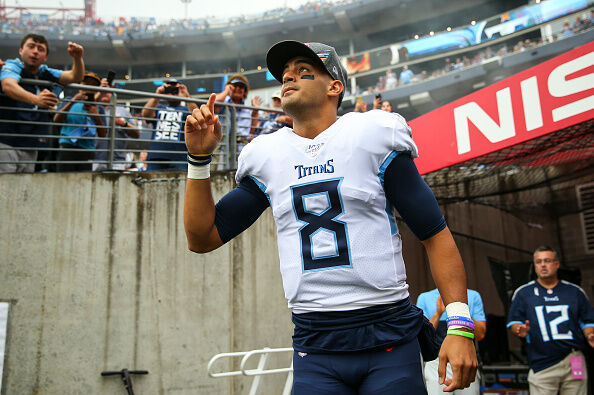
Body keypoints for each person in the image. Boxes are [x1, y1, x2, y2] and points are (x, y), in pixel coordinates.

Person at [183, 40, 477, 394]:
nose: (289, 77)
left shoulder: (371, 135)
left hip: (387, 336)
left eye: (304, 72)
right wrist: (199, 160)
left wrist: (460, 326)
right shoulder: (267, 154)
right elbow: (202, 238)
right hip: (315, 344)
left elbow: (434, 232)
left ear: (334, 87)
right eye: (285, 74)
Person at [508, 246, 594, 394]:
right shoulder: (524, 293)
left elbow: (587, 321)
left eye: (547, 261)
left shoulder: (574, 291)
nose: (543, 265)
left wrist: (590, 334)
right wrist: (519, 329)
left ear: (557, 264)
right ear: (534, 265)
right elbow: (514, 321)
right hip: (541, 361)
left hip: (572, 357)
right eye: (538, 261)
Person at [0, 34, 85, 173]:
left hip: (30, 145)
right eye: (31, 46)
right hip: (6, 142)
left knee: (24, 189)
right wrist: (37, 99)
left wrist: (77, 58)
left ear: (45, 57)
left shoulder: (45, 71)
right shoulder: (12, 65)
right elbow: (8, 86)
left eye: (41, 49)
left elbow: (75, 76)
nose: (35, 51)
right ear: (21, 50)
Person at [417, 289, 487, 394]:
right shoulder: (425, 297)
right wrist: (438, 314)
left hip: (465, 359)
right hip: (436, 362)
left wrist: (462, 313)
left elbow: (480, 334)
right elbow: (422, 336)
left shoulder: (473, 295)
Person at [53, 72, 105, 172]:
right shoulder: (68, 100)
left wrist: (96, 116)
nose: (88, 87)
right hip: (67, 146)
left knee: (84, 180)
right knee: (64, 178)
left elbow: (103, 134)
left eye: (92, 85)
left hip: (87, 149)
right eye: (85, 83)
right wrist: (72, 101)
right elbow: (56, 120)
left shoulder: (99, 108)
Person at [141, 78, 196, 171]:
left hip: (179, 158)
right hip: (156, 156)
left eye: (175, 90)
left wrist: (186, 96)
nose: (172, 92)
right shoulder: (158, 107)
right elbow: (145, 114)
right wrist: (157, 94)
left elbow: (196, 117)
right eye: (169, 89)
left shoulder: (186, 109)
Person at [94, 77, 139, 171]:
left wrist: (123, 123)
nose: (105, 92)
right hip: (94, 160)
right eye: (102, 89)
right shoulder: (91, 109)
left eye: (107, 89)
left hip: (117, 161)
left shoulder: (122, 111)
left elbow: (137, 133)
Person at [214, 74, 262, 151]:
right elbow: (213, 103)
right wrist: (226, 91)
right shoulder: (223, 103)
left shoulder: (247, 110)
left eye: (241, 87)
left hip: (242, 151)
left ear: (245, 91)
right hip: (224, 152)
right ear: (229, 87)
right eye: (235, 86)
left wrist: (255, 110)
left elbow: (251, 131)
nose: (238, 88)